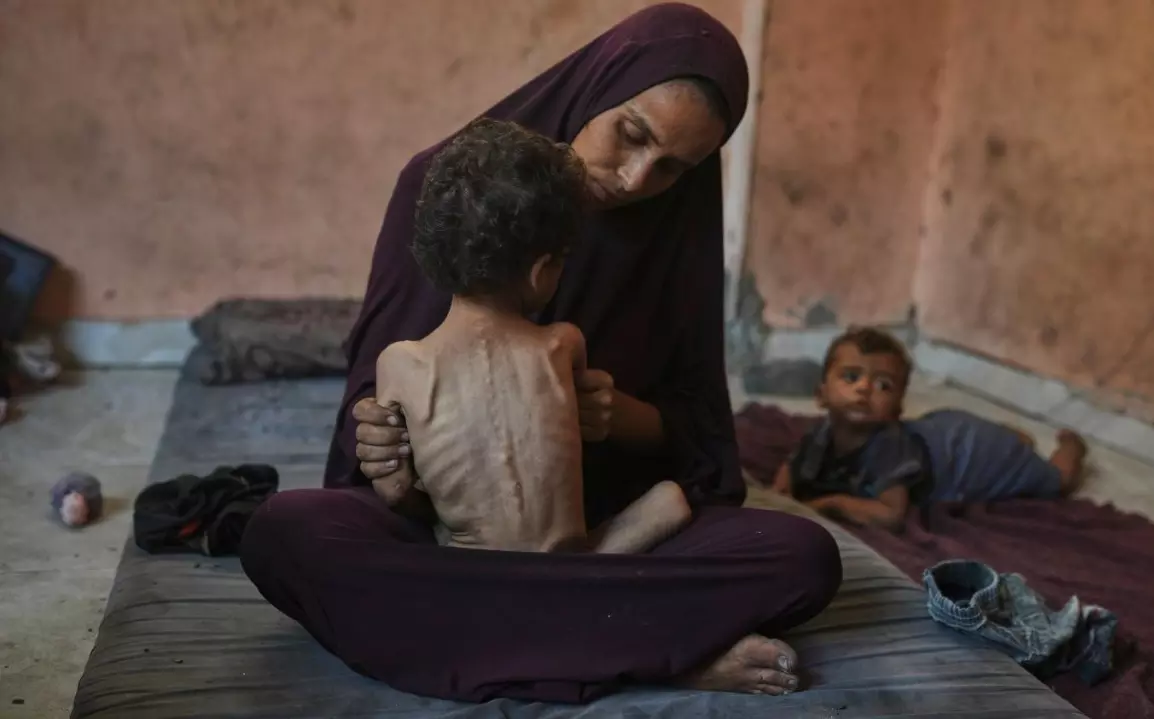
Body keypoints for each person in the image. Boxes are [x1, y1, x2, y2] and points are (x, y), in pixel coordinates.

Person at [239, 3, 842, 705]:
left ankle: (508, 637)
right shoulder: (443, 189)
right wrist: (379, 437)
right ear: (598, 86)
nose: (633, 178)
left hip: (598, 522)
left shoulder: (674, 238)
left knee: (803, 556)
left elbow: (701, 441)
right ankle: (650, 651)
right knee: (284, 532)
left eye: (673, 168)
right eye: (632, 134)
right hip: (454, 532)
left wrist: (619, 416)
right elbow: (367, 414)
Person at [377, 117, 691, 554]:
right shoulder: (563, 344)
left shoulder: (399, 363)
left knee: (309, 524)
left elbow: (396, 492)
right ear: (542, 271)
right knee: (671, 500)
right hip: (571, 569)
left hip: (474, 579)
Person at [772, 328, 1088, 530]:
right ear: (821, 395)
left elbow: (890, 513)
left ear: (897, 409)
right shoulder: (822, 433)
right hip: (943, 431)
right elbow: (793, 463)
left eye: (883, 384)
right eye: (851, 377)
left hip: (969, 455)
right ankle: (1014, 438)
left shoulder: (888, 449)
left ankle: (1069, 450)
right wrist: (779, 491)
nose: (865, 388)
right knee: (991, 436)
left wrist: (833, 503)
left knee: (1054, 482)